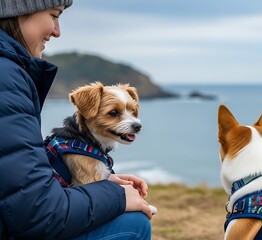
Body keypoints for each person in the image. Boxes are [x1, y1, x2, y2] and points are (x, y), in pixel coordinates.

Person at [0, 1, 153, 239]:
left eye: (133, 112)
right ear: (18, 10)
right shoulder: (7, 77)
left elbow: (15, 176)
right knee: (135, 223)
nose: (57, 31)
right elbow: (37, 212)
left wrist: (106, 180)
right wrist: (117, 196)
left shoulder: (11, 71)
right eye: (54, 15)